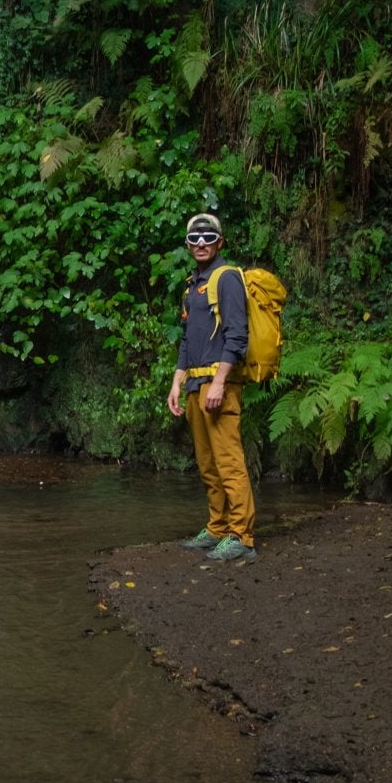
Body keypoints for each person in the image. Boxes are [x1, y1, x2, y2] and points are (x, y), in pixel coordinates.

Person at [167, 212, 256, 562]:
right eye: (194, 239)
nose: (201, 243)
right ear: (188, 245)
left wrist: (219, 382)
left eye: (208, 237)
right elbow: (187, 340)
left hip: (219, 385)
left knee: (229, 461)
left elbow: (237, 334)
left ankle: (242, 536)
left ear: (220, 242)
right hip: (194, 384)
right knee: (207, 464)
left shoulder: (227, 277)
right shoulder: (193, 284)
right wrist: (178, 382)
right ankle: (217, 526)